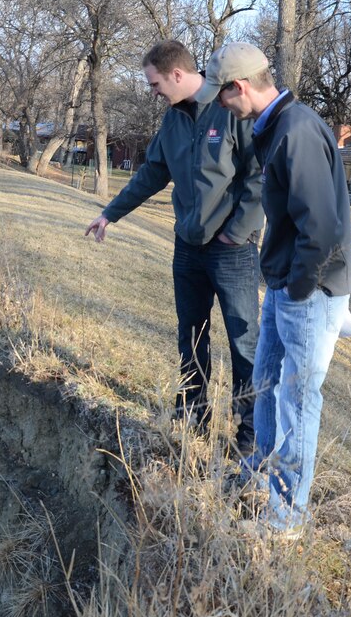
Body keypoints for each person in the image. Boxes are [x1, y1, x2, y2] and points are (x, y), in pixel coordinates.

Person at [195, 41, 351, 535]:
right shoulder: (273, 127)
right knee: (265, 384)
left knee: (297, 399)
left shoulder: (297, 131)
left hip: (309, 291)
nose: (220, 105)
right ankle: (259, 476)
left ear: (240, 87)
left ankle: (284, 520)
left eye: (222, 95)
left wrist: (299, 290)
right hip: (286, 283)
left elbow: (322, 228)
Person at [85, 40, 264, 452]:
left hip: (232, 250)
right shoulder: (172, 121)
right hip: (187, 247)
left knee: (243, 341)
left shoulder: (231, 107)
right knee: (191, 333)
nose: (153, 92)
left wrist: (237, 232)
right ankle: (192, 415)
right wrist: (110, 213)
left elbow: (259, 177)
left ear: (178, 75)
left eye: (154, 83)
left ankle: (248, 434)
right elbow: (152, 173)